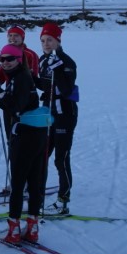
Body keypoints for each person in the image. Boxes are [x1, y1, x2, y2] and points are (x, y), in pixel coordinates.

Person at [0, 43, 48, 243]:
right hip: (37, 136)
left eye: (9, 59)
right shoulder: (21, 77)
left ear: (19, 60)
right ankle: (32, 227)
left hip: (25, 137)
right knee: (34, 182)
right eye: (2, 59)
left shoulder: (20, 79)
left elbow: (14, 107)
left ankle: (13, 230)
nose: (5, 63)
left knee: (19, 183)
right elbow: (9, 102)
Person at [38, 22, 79, 215]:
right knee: (42, 156)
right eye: (43, 40)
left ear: (58, 41)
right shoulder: (42, 60)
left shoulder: (67, 61)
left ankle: (63, 201)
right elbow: (44, 86)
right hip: (48, 114)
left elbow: (66, 90)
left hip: (65, 114)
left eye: (50, 40)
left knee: (61, 159)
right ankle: (37, 196)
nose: (46, 44)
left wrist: (58, 69)